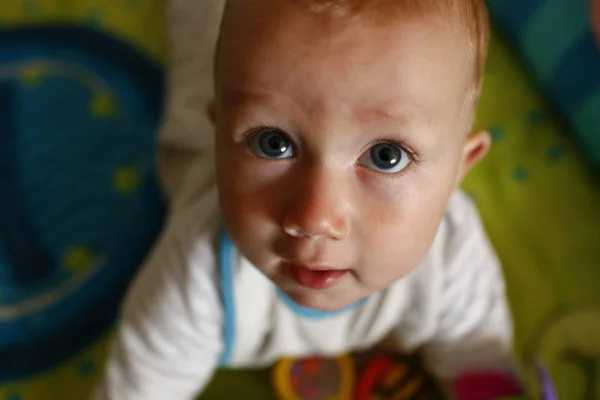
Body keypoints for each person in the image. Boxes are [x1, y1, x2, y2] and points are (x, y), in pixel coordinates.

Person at [93, 0, 514, 398]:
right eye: (272, 143)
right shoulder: (199, 272)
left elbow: (480, 361)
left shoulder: (453, 255)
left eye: (386, 156)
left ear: (460, 167)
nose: (315, 217)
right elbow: (142, 383)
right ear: (220, 135)